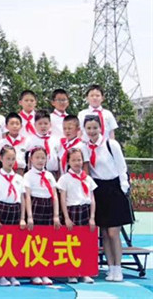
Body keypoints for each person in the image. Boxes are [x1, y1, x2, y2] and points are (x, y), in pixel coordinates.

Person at [83, 114, 131, 282]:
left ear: (101, 128)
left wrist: (123, 186)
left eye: (95, 128)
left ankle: (118, 267)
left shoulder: (111, 144)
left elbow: (121, 166)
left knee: (113, 232)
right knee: (104, 232)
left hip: (114, 188)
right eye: (88, 128)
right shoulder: (85, 147)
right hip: (98, 189)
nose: (92, 131)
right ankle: (110, 268)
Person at [0, 144, 25, 287]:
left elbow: (22, 199)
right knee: (0, 243)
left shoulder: (18, 178)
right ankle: (0, 274)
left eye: (13, 159)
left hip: (15, 210)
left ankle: (11, 273)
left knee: (13, 244)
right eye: (8, 158)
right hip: (1, 209)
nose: (10, 162)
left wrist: (22, 217)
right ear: (1, 159)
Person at [58, 147, 96, 284]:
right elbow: (63, 199)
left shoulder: (88, 179)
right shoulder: (64, 179)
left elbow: (92, 199)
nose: (77, 163)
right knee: (70, 244)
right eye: (73, 160)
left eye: (79, 160)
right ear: (68, 162)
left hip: (85, 210)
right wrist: (66, 218)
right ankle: (71, 272)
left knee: (85, 243)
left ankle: (85, 272)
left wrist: (92, 217)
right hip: (72, 211)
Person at [24, 147, 60, 285]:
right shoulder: (28, 176)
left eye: (43, 158)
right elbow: (27, 196)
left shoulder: (49, 175)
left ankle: (45, 271)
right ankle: (34, 273)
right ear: (31, 159)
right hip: (35, 205)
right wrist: (29, 216)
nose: (40, 160)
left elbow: (55, 195)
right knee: (34, 241)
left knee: (46, 240)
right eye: (37, 158)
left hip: (48, 207)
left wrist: (56, 215)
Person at [25, 110, 60, 174]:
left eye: (46, 123)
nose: (43, 126)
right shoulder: (30, 140)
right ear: (35, 125)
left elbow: (59, 158)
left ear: (50, 124)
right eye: (40, 123)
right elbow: (27, 158)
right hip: (35, 173)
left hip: (53, 172)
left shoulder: (55, 140)